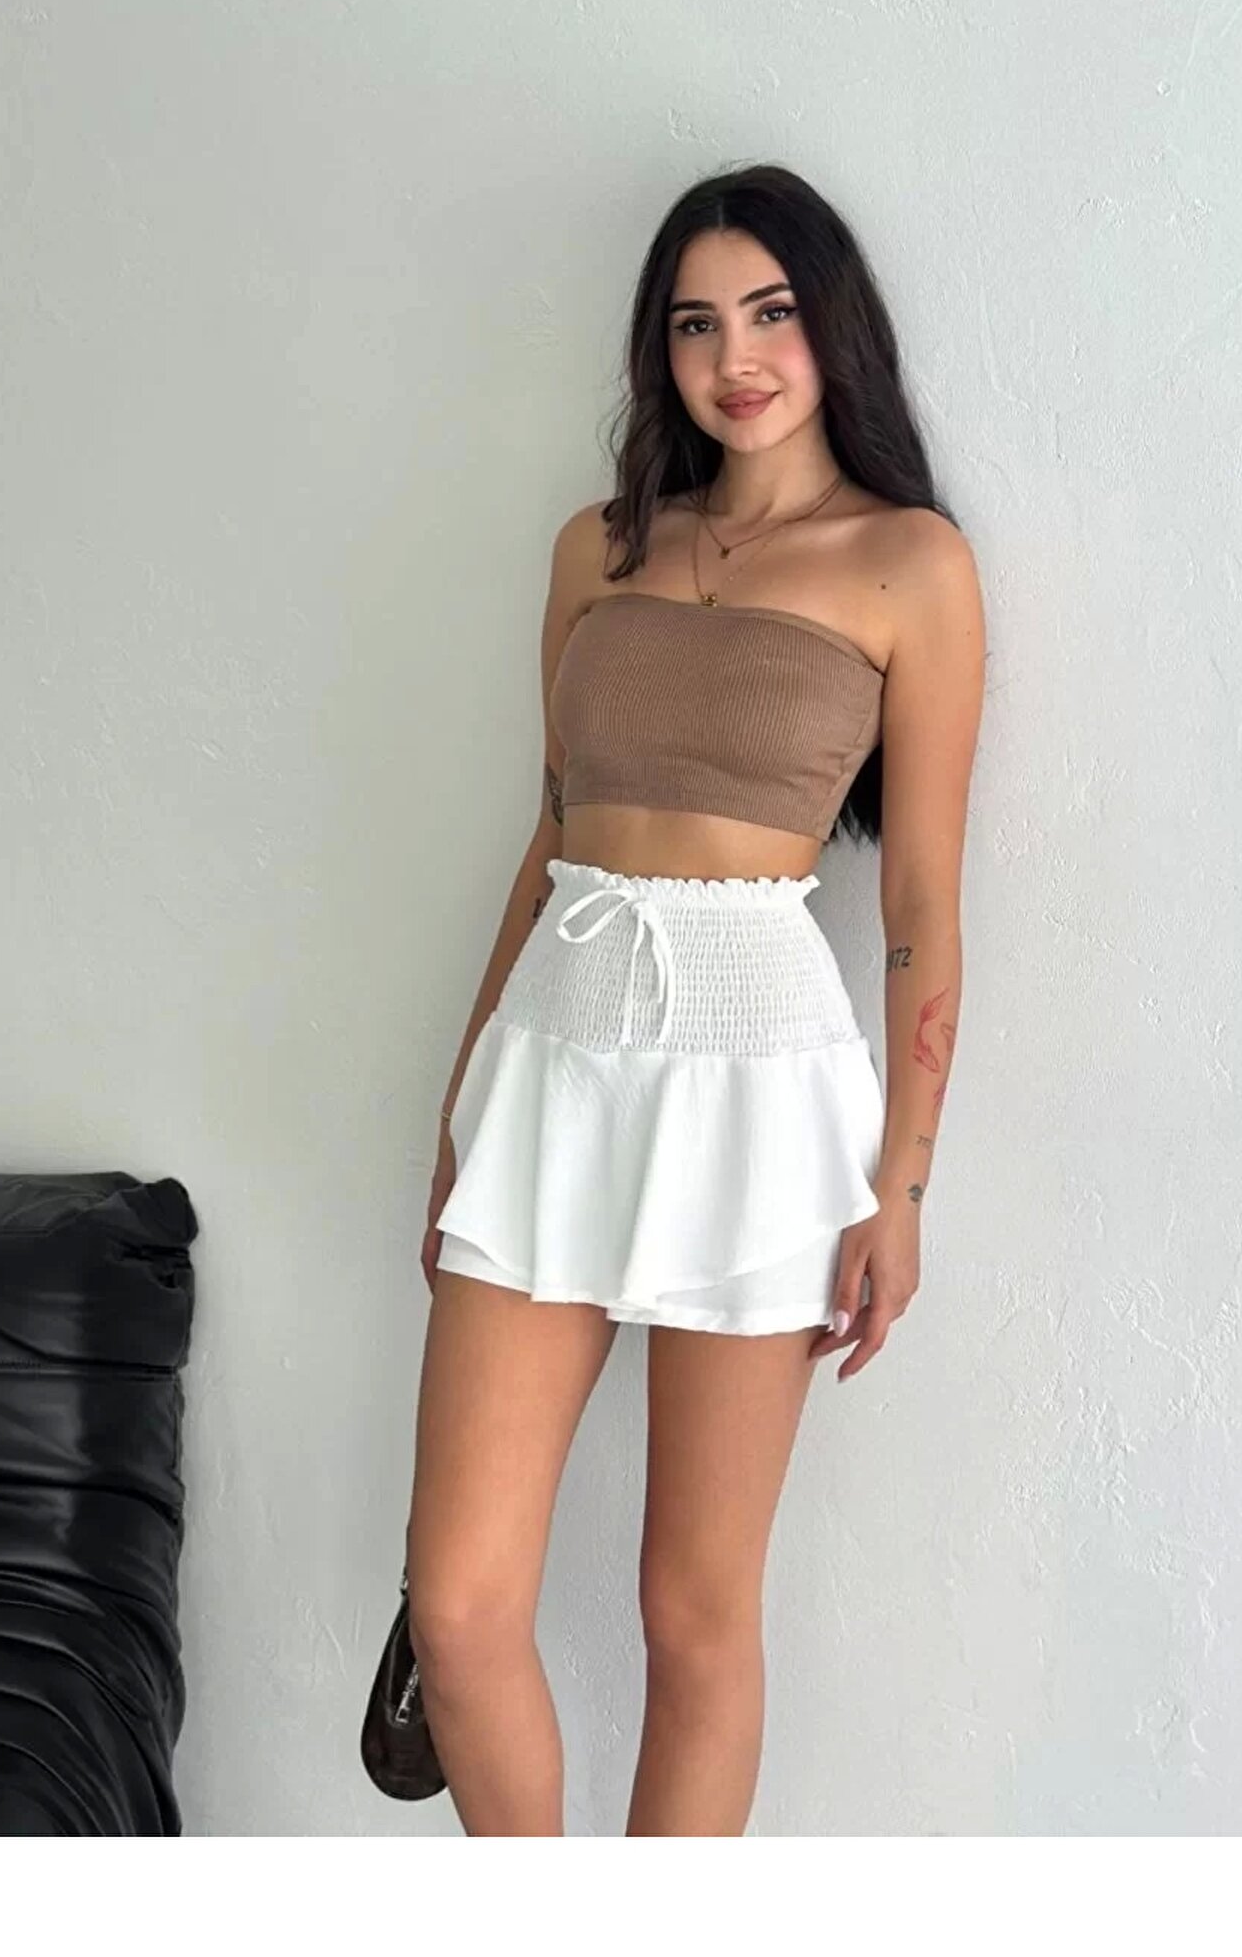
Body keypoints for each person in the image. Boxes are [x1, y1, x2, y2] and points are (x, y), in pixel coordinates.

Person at [404, 161, 986, 1837]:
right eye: (695, 323)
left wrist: (903, 1186)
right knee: (459, 1605)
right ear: (658, 351)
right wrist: (464, 1108)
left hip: (762, 1086)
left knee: (694, 1615)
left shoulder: (910, 563)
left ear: (832, 327)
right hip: (555, 1061)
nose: (737, 358)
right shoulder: (597, 551)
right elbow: (549, 841)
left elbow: (924, 906)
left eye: (772, 313)